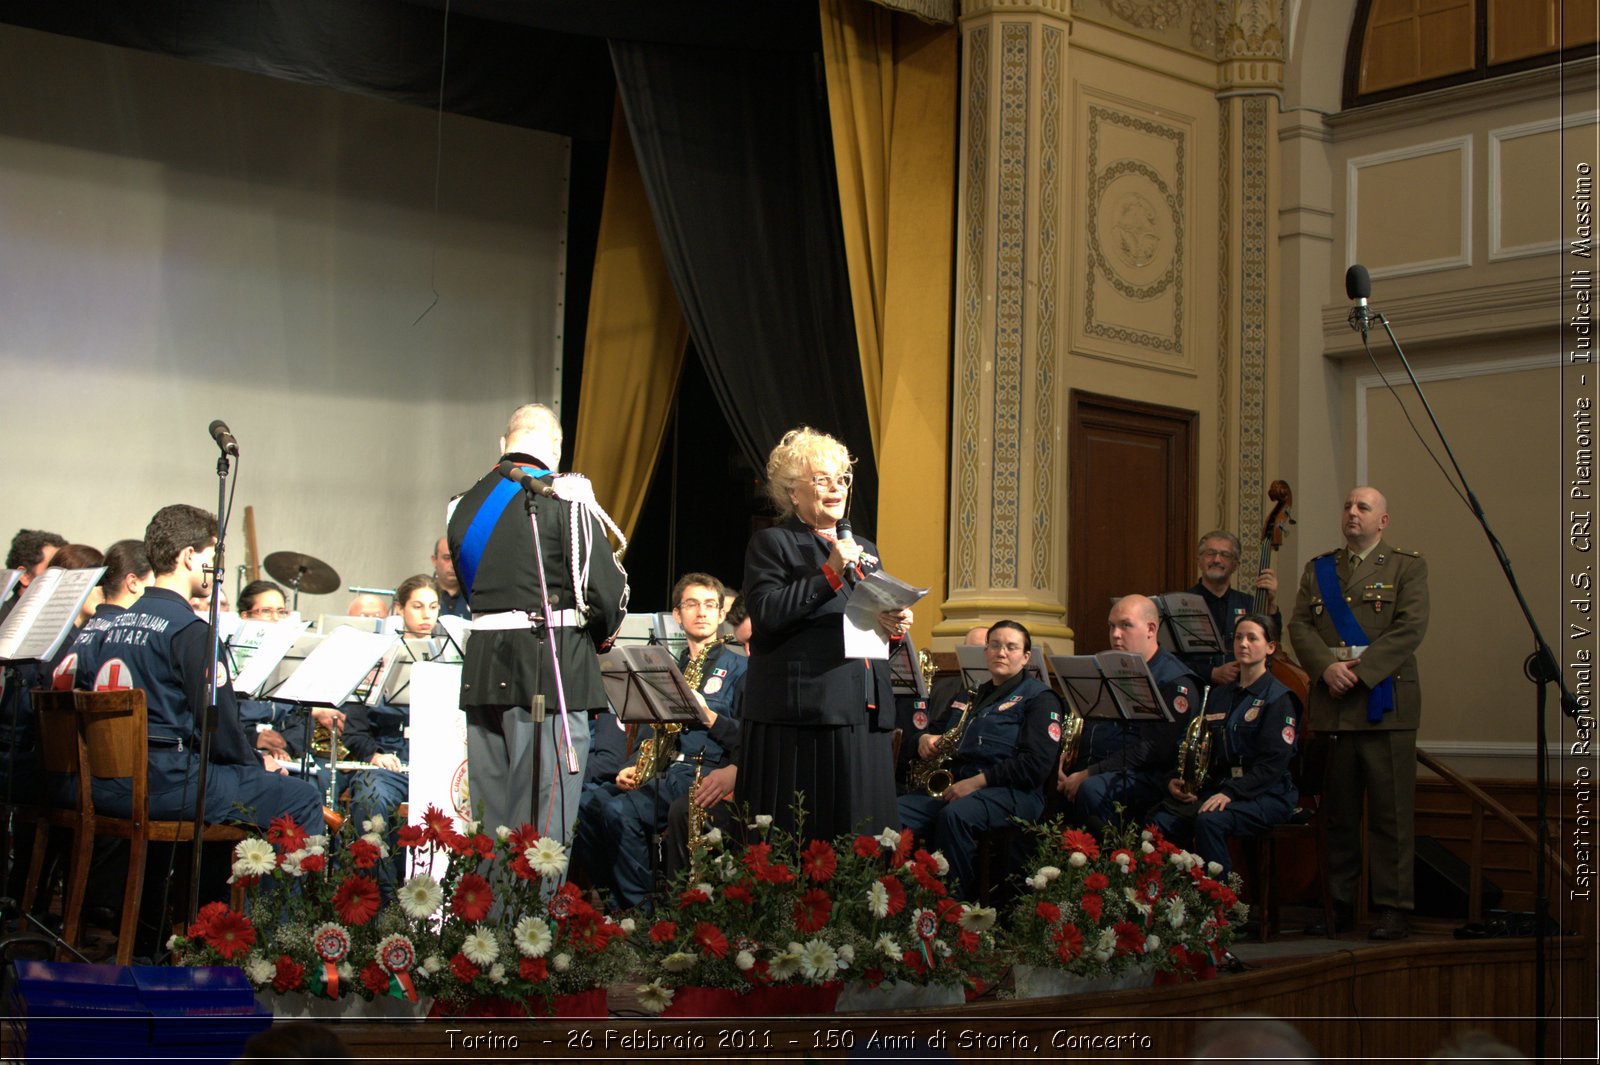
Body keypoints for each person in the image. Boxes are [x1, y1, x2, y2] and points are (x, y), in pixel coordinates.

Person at [77, 504, 322, 832]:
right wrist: (256, 763)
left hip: (109, 782)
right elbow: (218, 728)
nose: (215, 568)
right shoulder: (191, 633)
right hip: (169, 784)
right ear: (190, 556)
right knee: (302, 797)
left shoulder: (112, 625)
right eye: (212, 557)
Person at [446, 403, 628, 844]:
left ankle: (487, 914)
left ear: (503, 443)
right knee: (543, 823)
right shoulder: (564, 496)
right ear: (557, 447)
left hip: (484, 671)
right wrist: (601, 639)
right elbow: (603, 592)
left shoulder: (459, 507)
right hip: (551, 668)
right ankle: (534, 914)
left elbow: (474, 591)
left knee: (490, 821)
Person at [738, 426, 910, 842]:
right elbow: (767, 615)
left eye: (842, 479)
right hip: (807, 718)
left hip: (865, 709)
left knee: (867, 838)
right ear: (793, 492)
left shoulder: (865, 547)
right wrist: (830, 571)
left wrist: (895, 627)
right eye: (821, 479)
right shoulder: (772, 543)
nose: (836, 488)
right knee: (812, 842)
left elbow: (867, 618)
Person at [1288, 486, 1428, 941]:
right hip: (1333, 704)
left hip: (1382, 703)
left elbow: (1409, 628)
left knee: (1391, 815)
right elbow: (1298, 626)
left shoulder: (1407, 566)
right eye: (1348, 506)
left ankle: (1393, 907)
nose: (1352, 513)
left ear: (1382, 521)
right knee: (1338, 815)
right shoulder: (1319, 569)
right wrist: (1327, 669)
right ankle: (1338, 904)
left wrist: (1359, 673)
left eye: (1363, 507)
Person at [574, 573, 744, 909]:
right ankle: (613, 899)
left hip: (701, 775)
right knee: (584, 806)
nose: (702, 612)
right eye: (692, 604)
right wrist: (631, 765)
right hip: (662, 771)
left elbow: (750, 737)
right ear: (677, 615)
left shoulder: (740, 668)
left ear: (722, 614)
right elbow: (650, 728)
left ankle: (640, 913)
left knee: (618, 812)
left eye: (711, 605)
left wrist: (710, 717)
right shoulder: (666, 667)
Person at [898, 619, 1062, 900]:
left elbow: (1034, 766)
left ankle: (953, 908)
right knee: (893, 811)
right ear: (985, 652)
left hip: (1013, 793)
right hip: (960, 787)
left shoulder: (1041, 699)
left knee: (955, 816)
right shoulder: (970, 695)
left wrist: (977, 782)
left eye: (1011, 647)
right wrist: (923, 740)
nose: (1001, 652)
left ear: (1025, 657)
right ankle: (898, 898)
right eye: (995, 645)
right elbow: (935, 730)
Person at [1152, 614, 1299, 877]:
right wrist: (1179, 778)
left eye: (1252, 638)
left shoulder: (1279, 698)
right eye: (1239, 637)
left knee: (1210, 821)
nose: (1243, 644)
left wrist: (1231, 793)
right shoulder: (1220, 695)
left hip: (1266, 793)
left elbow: (1272, 765)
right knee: (1163, 820)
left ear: (1270, 647)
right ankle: (1178, 901)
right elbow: (1198, 745)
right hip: (1221, 788)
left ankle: (1221, 905)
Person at [1056, 594, 1201, 830]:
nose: (1115, 634)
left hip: (1145, 777)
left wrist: (1087, 774)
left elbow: (1151, 750)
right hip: (1099, 767)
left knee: (1090, 790)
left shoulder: (1174, 681)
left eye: (1125, 625)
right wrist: (1064, 764)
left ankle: (1105, 862)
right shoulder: (1110, 667)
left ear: (1151, 629)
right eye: (1112, 626)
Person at [344, 574, 445, 885]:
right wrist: (374, 755)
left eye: (433, 606)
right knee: (371, 795)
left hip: (438, 762)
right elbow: (355, 732)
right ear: (399, 609)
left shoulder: (452, 656)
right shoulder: (377, 658)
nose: (427, 615)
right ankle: (379, 896)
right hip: (390, 763)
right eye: (417, 606)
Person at [1177, 530, 1280, 685]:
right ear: (1199, 560)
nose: (1217, 559)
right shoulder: (1178, 604)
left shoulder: (1249, 604)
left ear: (1236, 565)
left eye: (1225, 555)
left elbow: (1272, 642)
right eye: (1210, 553)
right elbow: (1169, 658)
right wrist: (1211, 672)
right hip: (1195, 690)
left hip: (1240, 691)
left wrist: (1270, 603)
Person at [898, 625, 987, 793]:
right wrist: (923, 739)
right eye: (969, 652)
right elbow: (935, 728)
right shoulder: (951, 691)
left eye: (982, 650)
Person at [431, 536, 470, 619]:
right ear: (434, 560)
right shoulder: (422, 593)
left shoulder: (476, 595)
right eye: (447, 558)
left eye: (458, 559)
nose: (453, 565)